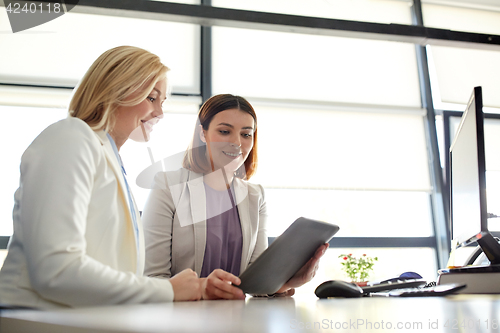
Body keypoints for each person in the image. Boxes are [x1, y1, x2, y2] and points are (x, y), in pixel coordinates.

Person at [0, 46, 202, 309]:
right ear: (117, 88)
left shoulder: (108, 156)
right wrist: (168, 290)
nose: (160, 113)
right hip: (37, 320)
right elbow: (57, 270)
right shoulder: (71, 138)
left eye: (162, 102)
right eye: (152, 98)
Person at [142, 94, 328, 300]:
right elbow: (152, 278)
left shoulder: (254, 196)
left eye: (246, 134)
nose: (237, 143)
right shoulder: (168, 186)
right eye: (224, 131)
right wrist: (201, 287)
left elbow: (255, 282)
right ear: (202, 133)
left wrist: (288, 281)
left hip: (236, 320)